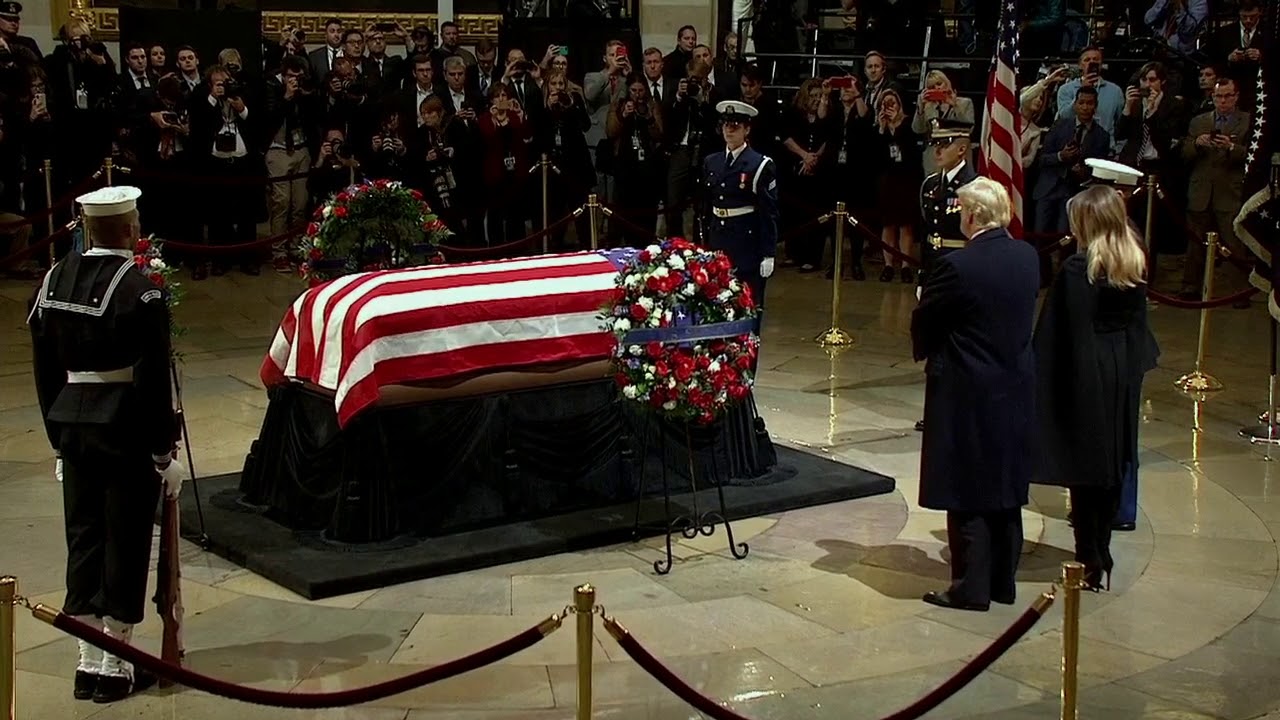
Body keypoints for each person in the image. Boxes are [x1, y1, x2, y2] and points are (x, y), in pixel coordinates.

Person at [28, 186, 185, 703]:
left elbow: (44, 370)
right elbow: (152, 381)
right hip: (124, 430)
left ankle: (86, 661)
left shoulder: (52, 280)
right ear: (131, 229)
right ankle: (115, 664)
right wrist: (163, 451)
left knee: (84, 538)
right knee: (125, 538)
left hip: (71, 425)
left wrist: (57, 439)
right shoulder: (141, 291)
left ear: (88, 229)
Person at [911, 177, 1039, 612]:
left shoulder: (958, 266)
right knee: (1004, 485)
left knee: (967, 487)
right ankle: (1002, 582)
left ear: (971, 215)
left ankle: (970, 588)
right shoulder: (1027, 257)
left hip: (967, 388)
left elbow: (927, 321)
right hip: (1014, 384)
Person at [1033, 182, 1159, 591]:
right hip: (1121, 371)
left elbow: (1060, 332)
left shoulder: (1078, 269)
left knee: (1085, 466)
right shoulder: (1132, 260)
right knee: (1111, 463)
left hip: (1086, 373)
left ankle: (1087, 556)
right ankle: (1101, 551)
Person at [700, 100, 779, 309]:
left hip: (746, 242)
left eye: (735, 126)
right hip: (718, 240)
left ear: (747, 129)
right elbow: (706, 206)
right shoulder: (712, 162)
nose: (729, 131)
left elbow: (768, 212)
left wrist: (768, 253)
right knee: (718, 302)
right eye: (726, 125)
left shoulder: (759, 164)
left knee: (748, 303)